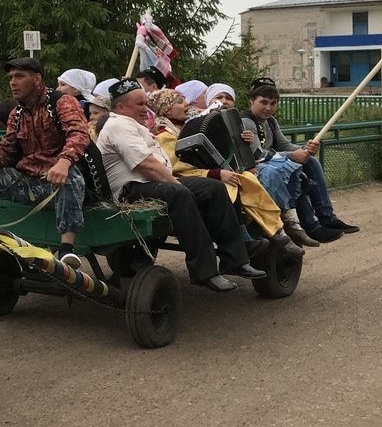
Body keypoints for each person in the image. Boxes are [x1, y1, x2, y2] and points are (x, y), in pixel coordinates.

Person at [97, 79, 265, 292]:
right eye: (140, 104)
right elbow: (146, 165)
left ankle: (235, 260)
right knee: (180, 193)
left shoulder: (132, 125)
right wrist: (178, 184)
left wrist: (179, 183)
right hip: (131, 189)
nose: (146, 108)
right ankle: (205, 271)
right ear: (121, 107)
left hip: (151, 183)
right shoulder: (118, 124)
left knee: (213, 188)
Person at [144, 88, 302, 259]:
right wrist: (216, 173)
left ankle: (276, 231)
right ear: (167, 109)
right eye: (180, 102)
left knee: (247, 178)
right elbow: (178, 168)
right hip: (187, 178)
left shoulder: (184, 126)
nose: (186, 105)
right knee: (231, 184)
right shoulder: (164, 135)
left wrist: (245, 146)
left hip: (204, 172)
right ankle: (247, 235)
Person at [0, 57, 90, 262]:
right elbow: (5, 151)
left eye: (19, 76)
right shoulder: (16, 114)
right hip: (25, 182)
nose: (13, 82)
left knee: (71, 177)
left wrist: (64, 162)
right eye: (10, 77)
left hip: (55, 181)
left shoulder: (62, 102)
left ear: (37, 79)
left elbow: (79, 134)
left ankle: (67, 249)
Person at [241, 77, 359, 242]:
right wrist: (292, 156)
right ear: (251, 101)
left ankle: (326, 216)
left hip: (273, 167)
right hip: (253, 173)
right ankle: (310, 225)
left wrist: (305, 149)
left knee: (310, 162)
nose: (268, 108)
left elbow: (284, 145)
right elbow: (258, 154)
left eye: (273, 103)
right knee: (296, 173)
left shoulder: (270, 122)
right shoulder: (246, 121)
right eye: (264, 102)